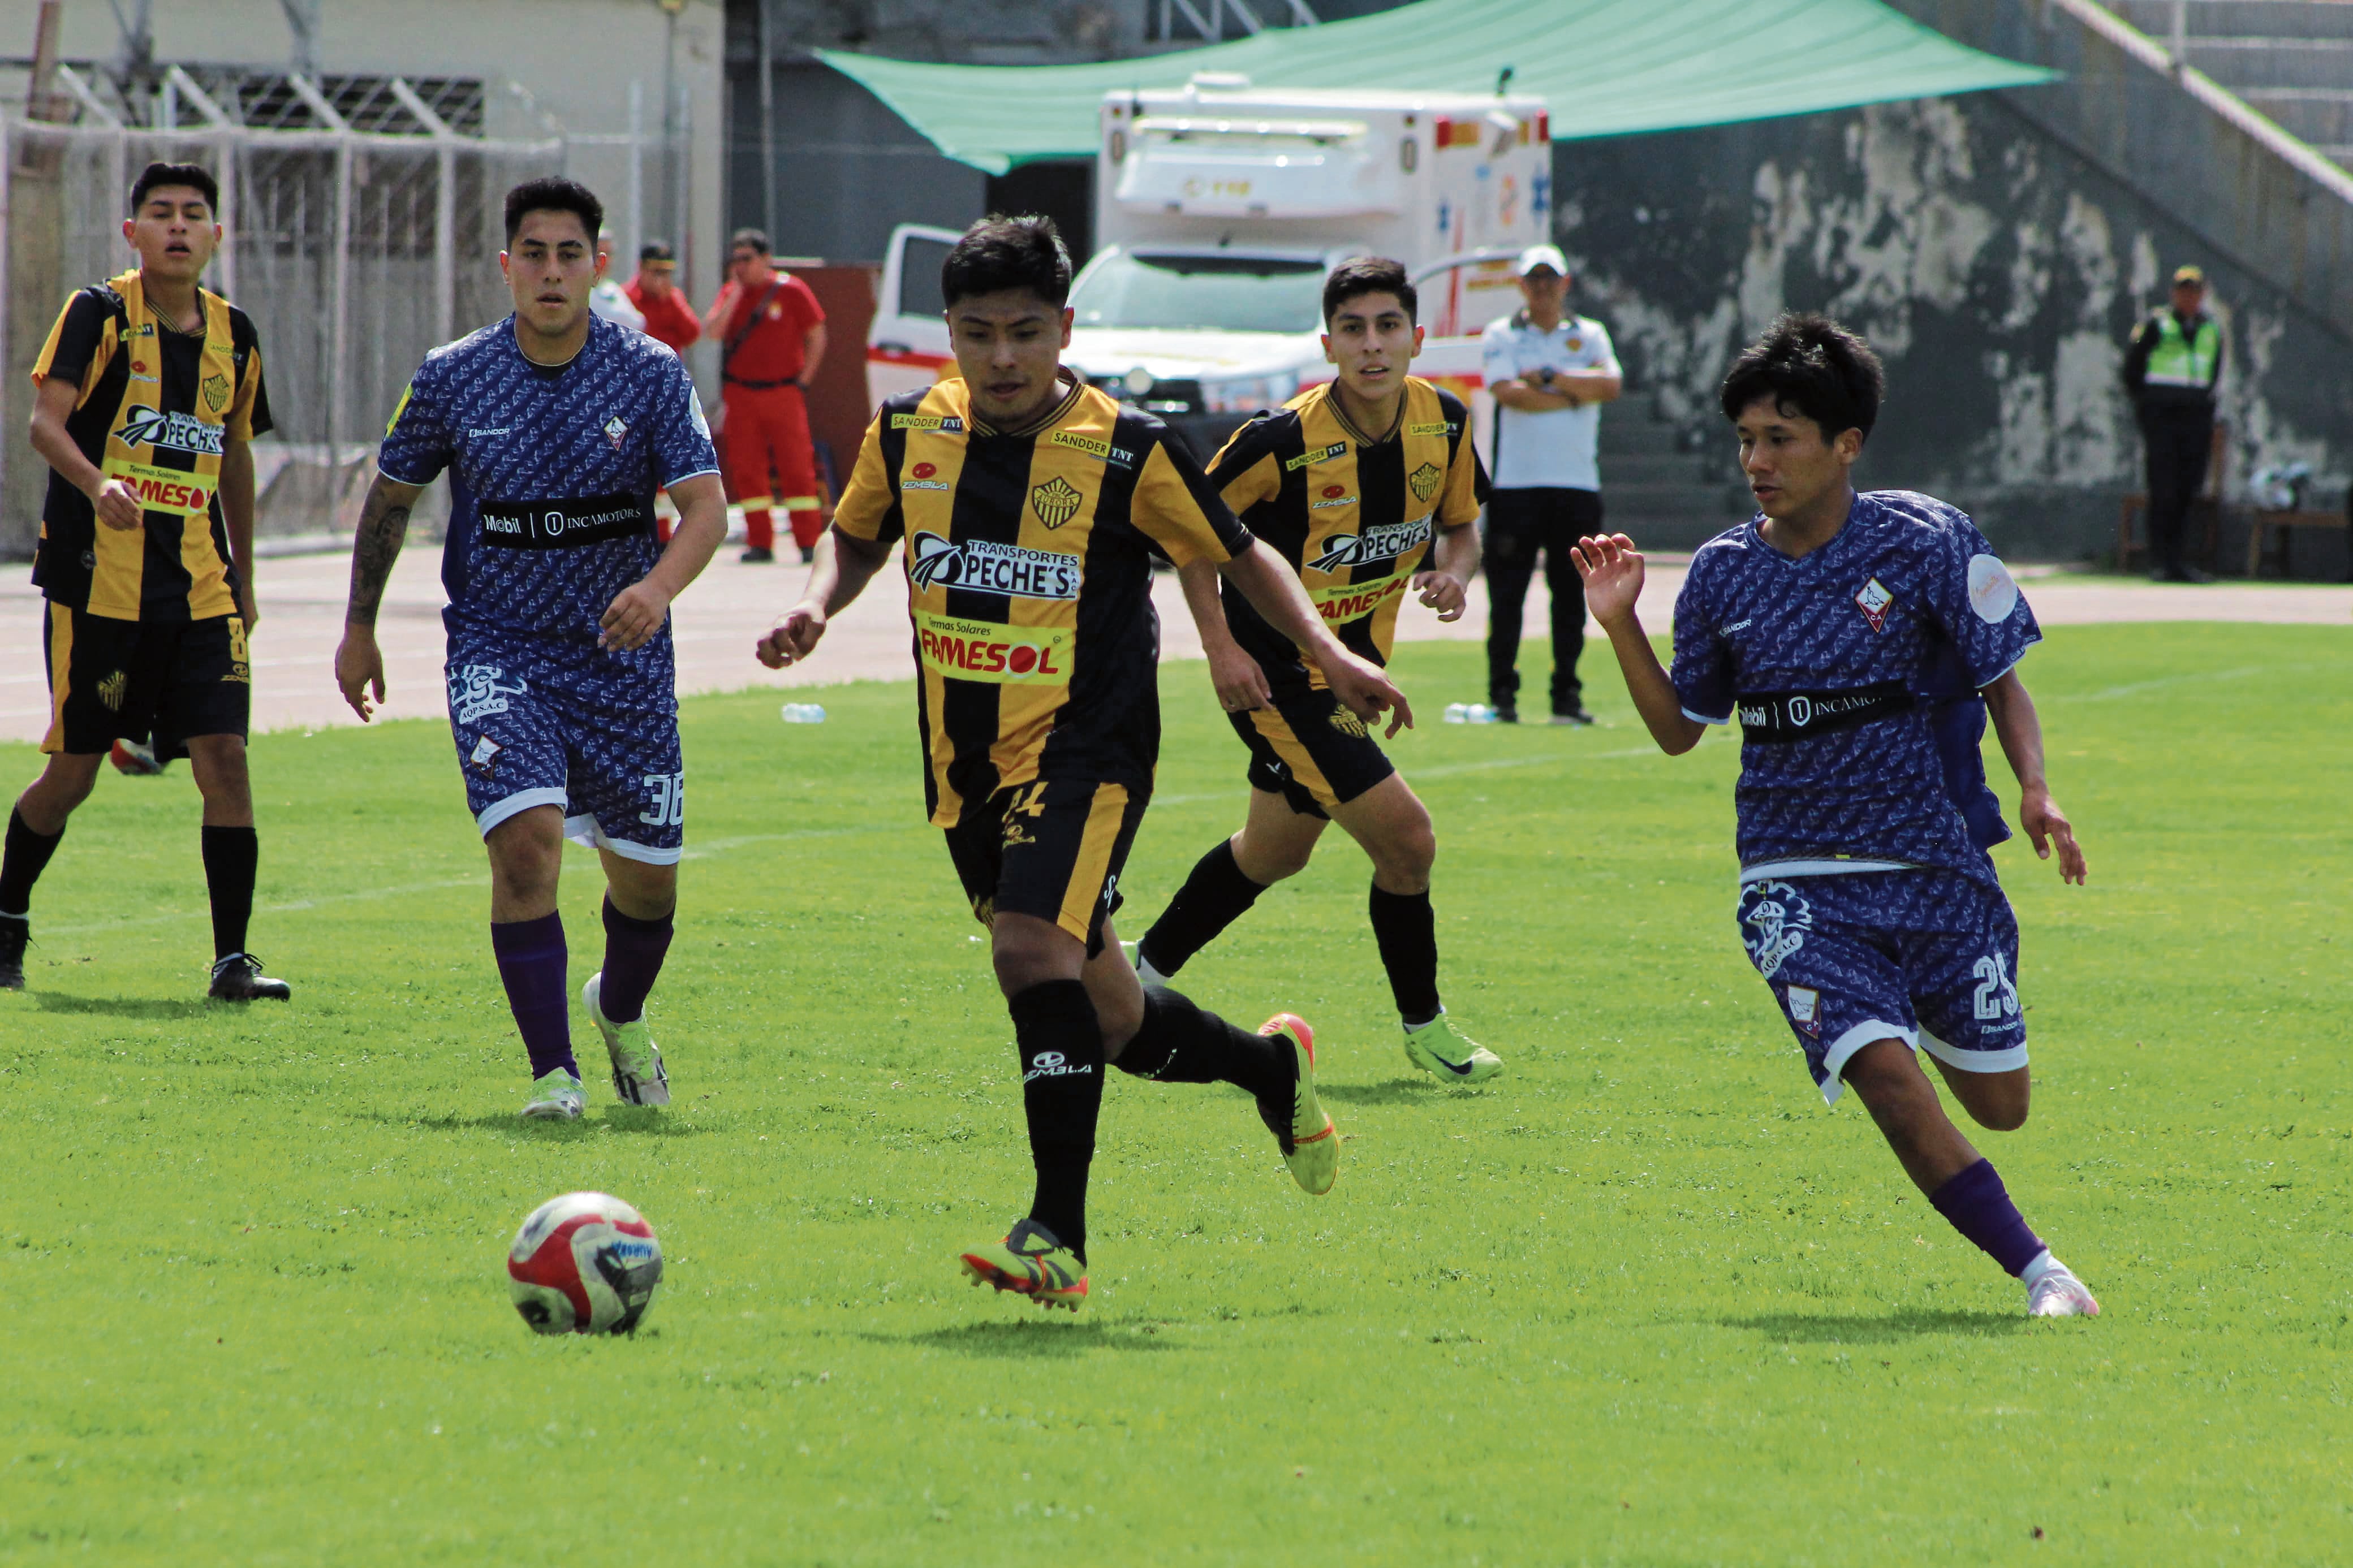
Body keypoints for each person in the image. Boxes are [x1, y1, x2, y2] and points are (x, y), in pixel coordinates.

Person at [756, 215, 1412, 1310]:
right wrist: (817, 604)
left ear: (1064, 327)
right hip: (965, 765)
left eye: (1024, 332)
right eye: (978, 333)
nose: (1002, 357)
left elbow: (1239, 551)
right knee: (1109, 1018)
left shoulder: (1127, 448)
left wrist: (1330, 653)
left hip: (1087, 751)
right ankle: (1271, 1068)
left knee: (1026, 950)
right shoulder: (909, 430)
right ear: (949, 334)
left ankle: (1055, 1237)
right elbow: (861, 534)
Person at [1572, 313, 2101, 1318]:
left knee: (2002, 1103)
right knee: (1885, 1081)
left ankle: (1919, 1009)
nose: (1756, 462)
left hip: (1932, 864)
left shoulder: (1928, 539)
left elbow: (2002, 675)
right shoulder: (1722, 571)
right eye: (1745, 440)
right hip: (1792, 880)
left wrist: (2036, 787)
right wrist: (1620, 623)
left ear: (1846, 443)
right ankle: (2046, 1275)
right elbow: (1681, 730)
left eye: (1780, 439)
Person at [333, 177, 727, 1121]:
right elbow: (390, 500)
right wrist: (359, 626)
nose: (552, 272)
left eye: (570, 254)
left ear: (598, 264)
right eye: (535, 255)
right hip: (498, 648)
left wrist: (655, 589)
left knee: (648, 887)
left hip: (622, 659)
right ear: (508, 266)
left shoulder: (650, 371)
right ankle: (556, 1076)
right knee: (525, 849)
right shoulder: (453, 375)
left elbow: (707, 509)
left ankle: (618, 1009)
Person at [1133, 257, 1504, 1086]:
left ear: (1417, 337)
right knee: (1408, 840)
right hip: (1275, 676)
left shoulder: (1444, 421)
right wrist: (1220, 649)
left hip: (1354, 671)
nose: (1372, 345)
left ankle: (1136, 975)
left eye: (1387, 326)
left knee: (1272, 852)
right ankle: (1426, 1029)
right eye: (1353, 329)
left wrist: (1455, 575)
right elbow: (1191, 535)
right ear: (1327, 344)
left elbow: (1462, 527)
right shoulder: (1278, 441)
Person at [0, 161, 287, 1001]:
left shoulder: (236, 334)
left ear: (217, 236)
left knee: (225, 758)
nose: (178, 226)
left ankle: (232, 961)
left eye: (194, 214)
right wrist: (99, 487)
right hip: (100, 583)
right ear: (133, 233)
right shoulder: (98, 315)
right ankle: (7, 917)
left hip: (201, 585)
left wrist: (245, 578)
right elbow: (44, 424)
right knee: (74, 772)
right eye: (161, 213)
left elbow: (236, 454)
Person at [1479, 243, 1621, 724]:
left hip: (1576, 484)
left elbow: (1610, 385)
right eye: (1534, 279)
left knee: (1571, 594)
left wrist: (1549, 377)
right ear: (1521, 285)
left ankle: (1567, 696)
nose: (1542, 287)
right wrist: (1575, 394)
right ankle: (1502, 695)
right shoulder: (1502, 333)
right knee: (1507, 595)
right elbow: (1509, 393)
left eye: (1550, 278)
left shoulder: (1590, 333)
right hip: (1515, 486)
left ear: (1565, 283)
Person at [703, 228, 825, 564]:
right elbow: (712, 332)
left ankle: (808, 541)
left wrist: (804, 380)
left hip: (784, 392)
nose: (740, 266)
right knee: (747, 469)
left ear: (766, 259)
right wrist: (734, 294)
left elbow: (817, 335)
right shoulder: (732, 293)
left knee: (797, 467)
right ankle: (760, 542)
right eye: (736, 260)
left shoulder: (792, 290)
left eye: (747, 259)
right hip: (741, 394)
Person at [2122, 264, 2223, 584]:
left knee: (2188, 489)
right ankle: (2161, 561)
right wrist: (2150, 406)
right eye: (2184, 291)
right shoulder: (2156, 324)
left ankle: (2180, 561)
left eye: (2194, 292)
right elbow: (2132, 369)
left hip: (2196, 420)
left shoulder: (2211, 329)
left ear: (2202, 295)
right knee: (2163, 489)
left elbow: (2213, 372)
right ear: (2174, 294)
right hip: (2162, 420)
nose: (2189, 298)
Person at [624, 240, 702, 359]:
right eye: (657, 272)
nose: (662, 279)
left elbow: (692, 334)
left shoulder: (674, 297)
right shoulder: (627, 296)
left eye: (666, 273)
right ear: (641, 268)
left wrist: (670, 301)